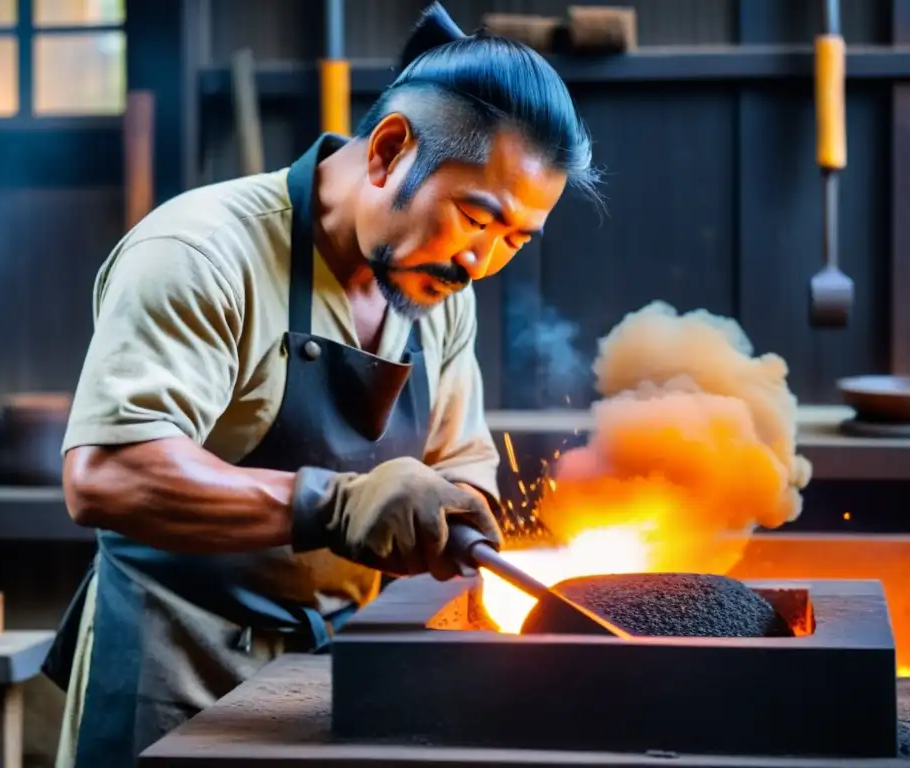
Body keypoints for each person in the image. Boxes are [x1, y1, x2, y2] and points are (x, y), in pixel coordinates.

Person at [44, 2, 601, 765]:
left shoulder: (439, 298)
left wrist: (461, 515)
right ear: (390, 151)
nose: (483, 262)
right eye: (477, 218)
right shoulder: (203, 253)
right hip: (174, 670)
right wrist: (332, 505)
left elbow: (458, 465)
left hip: (342, 671)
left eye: (513, 240)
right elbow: (106, 474)